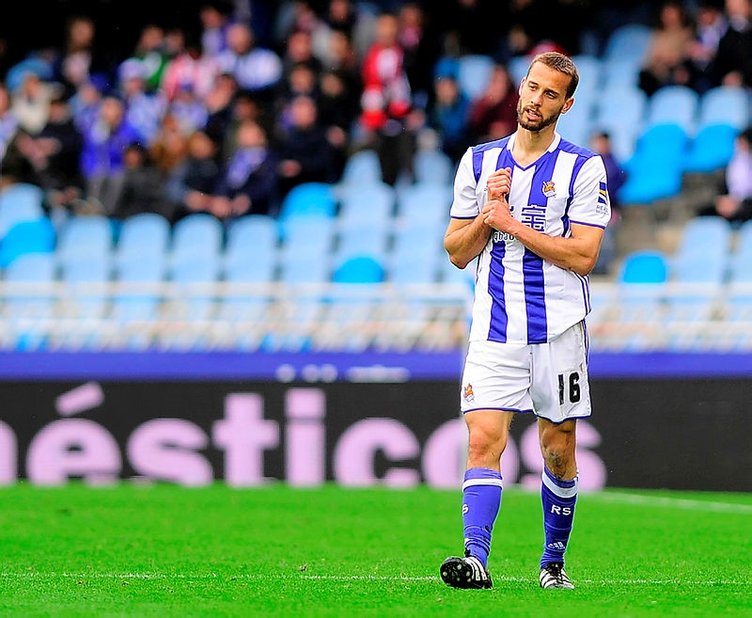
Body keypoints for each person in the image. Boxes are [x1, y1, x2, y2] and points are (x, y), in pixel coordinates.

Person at [439, 51, 611, 591]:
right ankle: (476, 559)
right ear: (520, 88)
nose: (535, 100)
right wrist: (487, 222)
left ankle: (552, 563)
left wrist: (509, 221)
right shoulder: (479, 160)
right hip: (495, 326)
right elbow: (456, 250)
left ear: (567, 104)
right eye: (531, 88)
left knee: (557, 450)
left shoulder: (583, 167)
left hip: (558, 330)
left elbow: (584, 256)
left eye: (549, 94)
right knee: (482, 440)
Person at [696, 125, 752, 223]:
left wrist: (740, 204)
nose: (739, 146)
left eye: (743, 143)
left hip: (747, 204)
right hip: (734, 201)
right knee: (704, 211)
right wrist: (723, 201)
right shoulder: (734, 163)